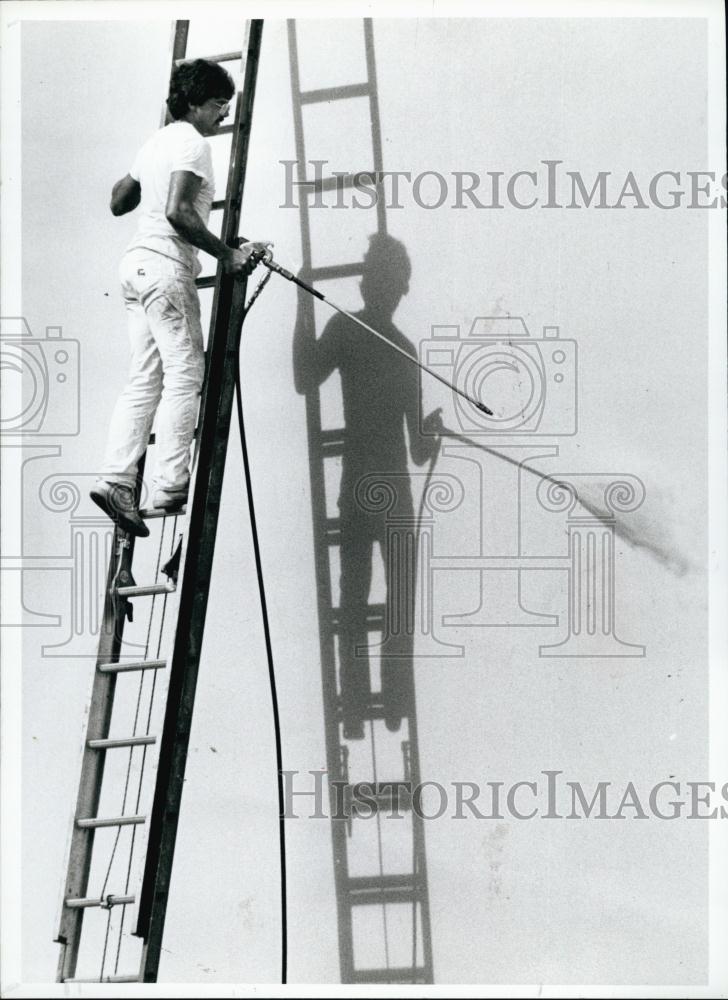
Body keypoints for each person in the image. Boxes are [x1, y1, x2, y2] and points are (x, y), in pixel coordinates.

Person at [91, 58, 271, 536]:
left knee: (143, 378)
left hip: (135, 268)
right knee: (186, 371)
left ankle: (117, 480)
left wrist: (145, 172)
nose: (223, 117)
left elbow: (117, 201)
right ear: (194, 103)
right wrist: (227, 255)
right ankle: (171, 481)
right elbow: (177, 212)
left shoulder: (157, 140)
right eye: (217, 105)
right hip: (166, 268)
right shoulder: (191, 142)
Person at [293, 233, 441, 739]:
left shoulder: (349, 330)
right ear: (390, 286)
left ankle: (356, 706)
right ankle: (392, 700)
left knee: (354, 601)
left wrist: (302, 304)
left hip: (361, 482)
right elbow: (419, 449)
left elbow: (304, 375)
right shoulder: (399, 347)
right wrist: (433, 429)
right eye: (397, 283)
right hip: (391, 488)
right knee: (395, 599)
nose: (398, 291)